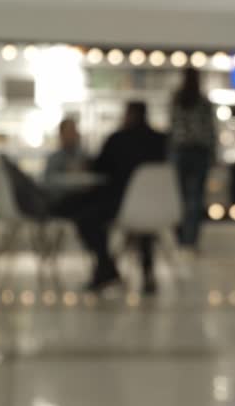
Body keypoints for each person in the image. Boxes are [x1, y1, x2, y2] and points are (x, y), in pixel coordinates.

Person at [53, 101, 167, 295]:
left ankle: (105, 268)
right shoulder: (162, 140)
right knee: (144, 226)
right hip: (158, 207)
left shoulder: (118, 139)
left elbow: (99, 168)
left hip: (120, 202)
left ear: (129, 115)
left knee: (86, 218)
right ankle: (144, 272)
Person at [169, 68, 215, 252]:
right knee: (195, 197)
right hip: (199, 152)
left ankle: (181, 238)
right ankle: (191, 239)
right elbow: (210, 131)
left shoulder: (177, 101)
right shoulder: (203, 102)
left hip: (180, 152)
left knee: (180, 197)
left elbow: (172, 129)